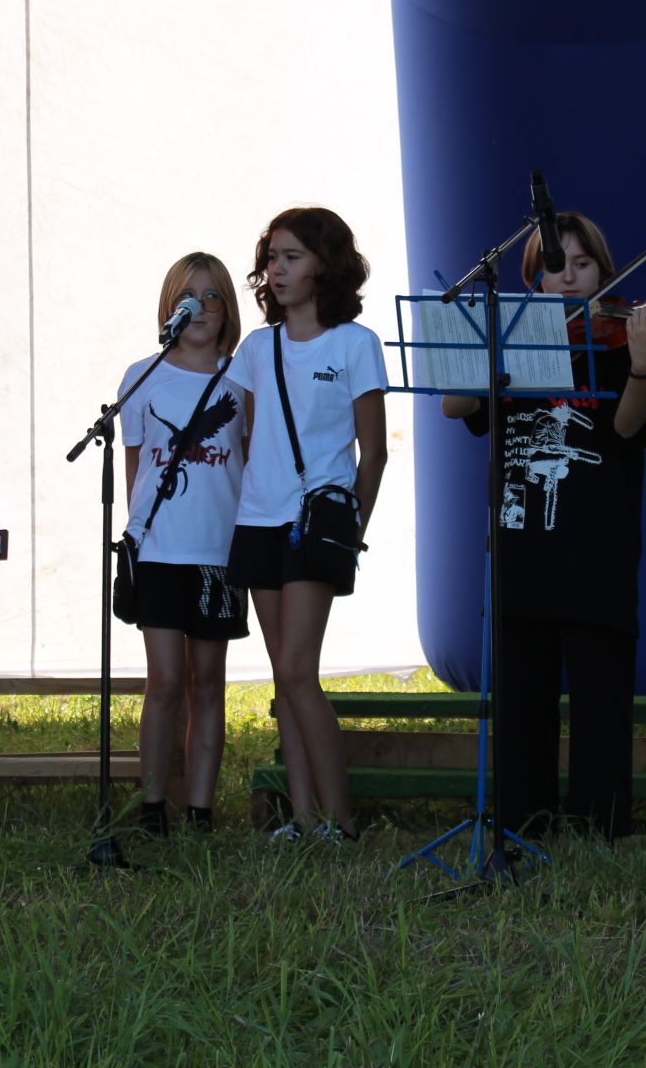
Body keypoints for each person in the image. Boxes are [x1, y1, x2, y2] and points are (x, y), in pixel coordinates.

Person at [441, 211, 646, 844]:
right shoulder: (513, 341)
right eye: (555, 266)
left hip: (597, 546)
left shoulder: (619, 340)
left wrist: (643, 368)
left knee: (600, 699)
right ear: (533, 278)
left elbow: (627, 430)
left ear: (606, 270)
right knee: (521, 699)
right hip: (522, 547)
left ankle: (602, 826)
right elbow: (456, 405)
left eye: (583, 264)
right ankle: (523, 824)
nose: (569, 278)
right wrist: (479, 347)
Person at [226, 206, 388, 843]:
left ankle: (342, 824)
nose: (277, 269)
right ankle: (301, 818)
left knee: (297, 672)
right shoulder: (255, 348)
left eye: (291, 257)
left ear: (326, 264)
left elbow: (372, 454)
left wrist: (354, 529)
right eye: (271, 258)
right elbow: (238, 432)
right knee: (284, 676)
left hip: (317, 524)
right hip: (257, 520)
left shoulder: (356, 343)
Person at [116, 252, 249, 835]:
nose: (201, 307)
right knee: (165, 680)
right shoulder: (141, 378)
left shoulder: (243, 383)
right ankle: (151, 808)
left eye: (213, 296)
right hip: (159, 553)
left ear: (228, 311)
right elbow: (134, 473)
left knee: (208, 680)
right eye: (188, 297)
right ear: (170, 307)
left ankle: (200, 809)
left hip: (218, 553)